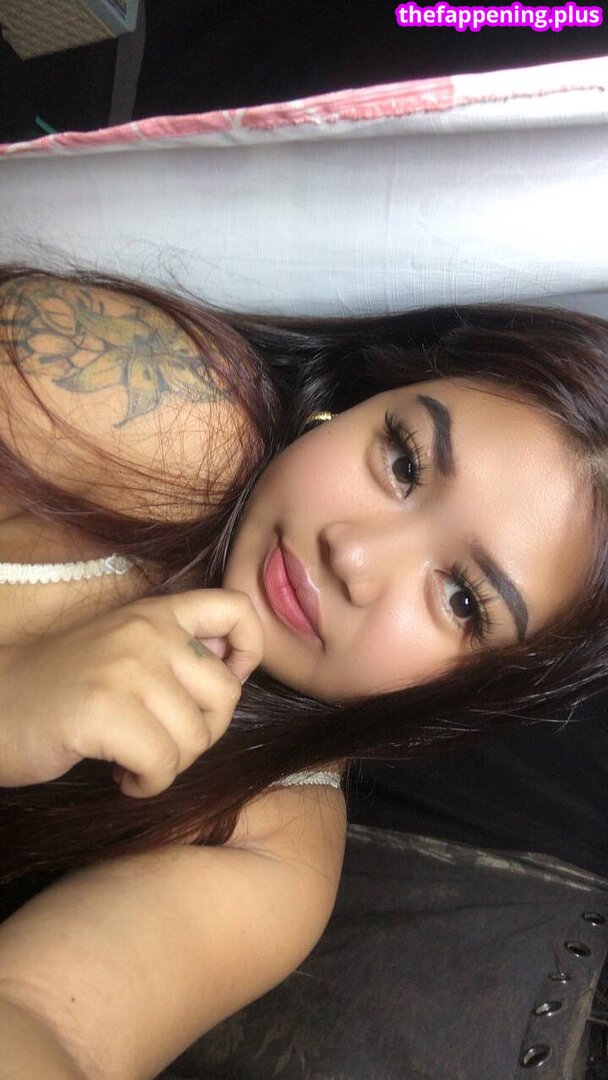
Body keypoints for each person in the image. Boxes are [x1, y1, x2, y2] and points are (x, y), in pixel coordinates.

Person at [0, 262, 606, 1078]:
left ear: (472, 691)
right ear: (356, 401)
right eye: (404, 463)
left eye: (463, 598)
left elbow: (47, 1025)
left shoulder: (275, 849)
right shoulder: (154, 399)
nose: (352, 556)